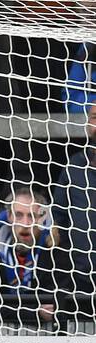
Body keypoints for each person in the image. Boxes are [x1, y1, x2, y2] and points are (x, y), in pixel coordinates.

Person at [0, 187, 68, 325]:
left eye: (31, 216)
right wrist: (35, 313)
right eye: (19, 215)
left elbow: (57, 304)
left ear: (42, 218)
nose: (25, 224)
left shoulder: (57, 251)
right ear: (9, 216)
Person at [50, 100, 96, 311]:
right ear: (88, 123)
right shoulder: (74, 166)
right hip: (81, 284)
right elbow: (58, 221)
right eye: (95, 118)